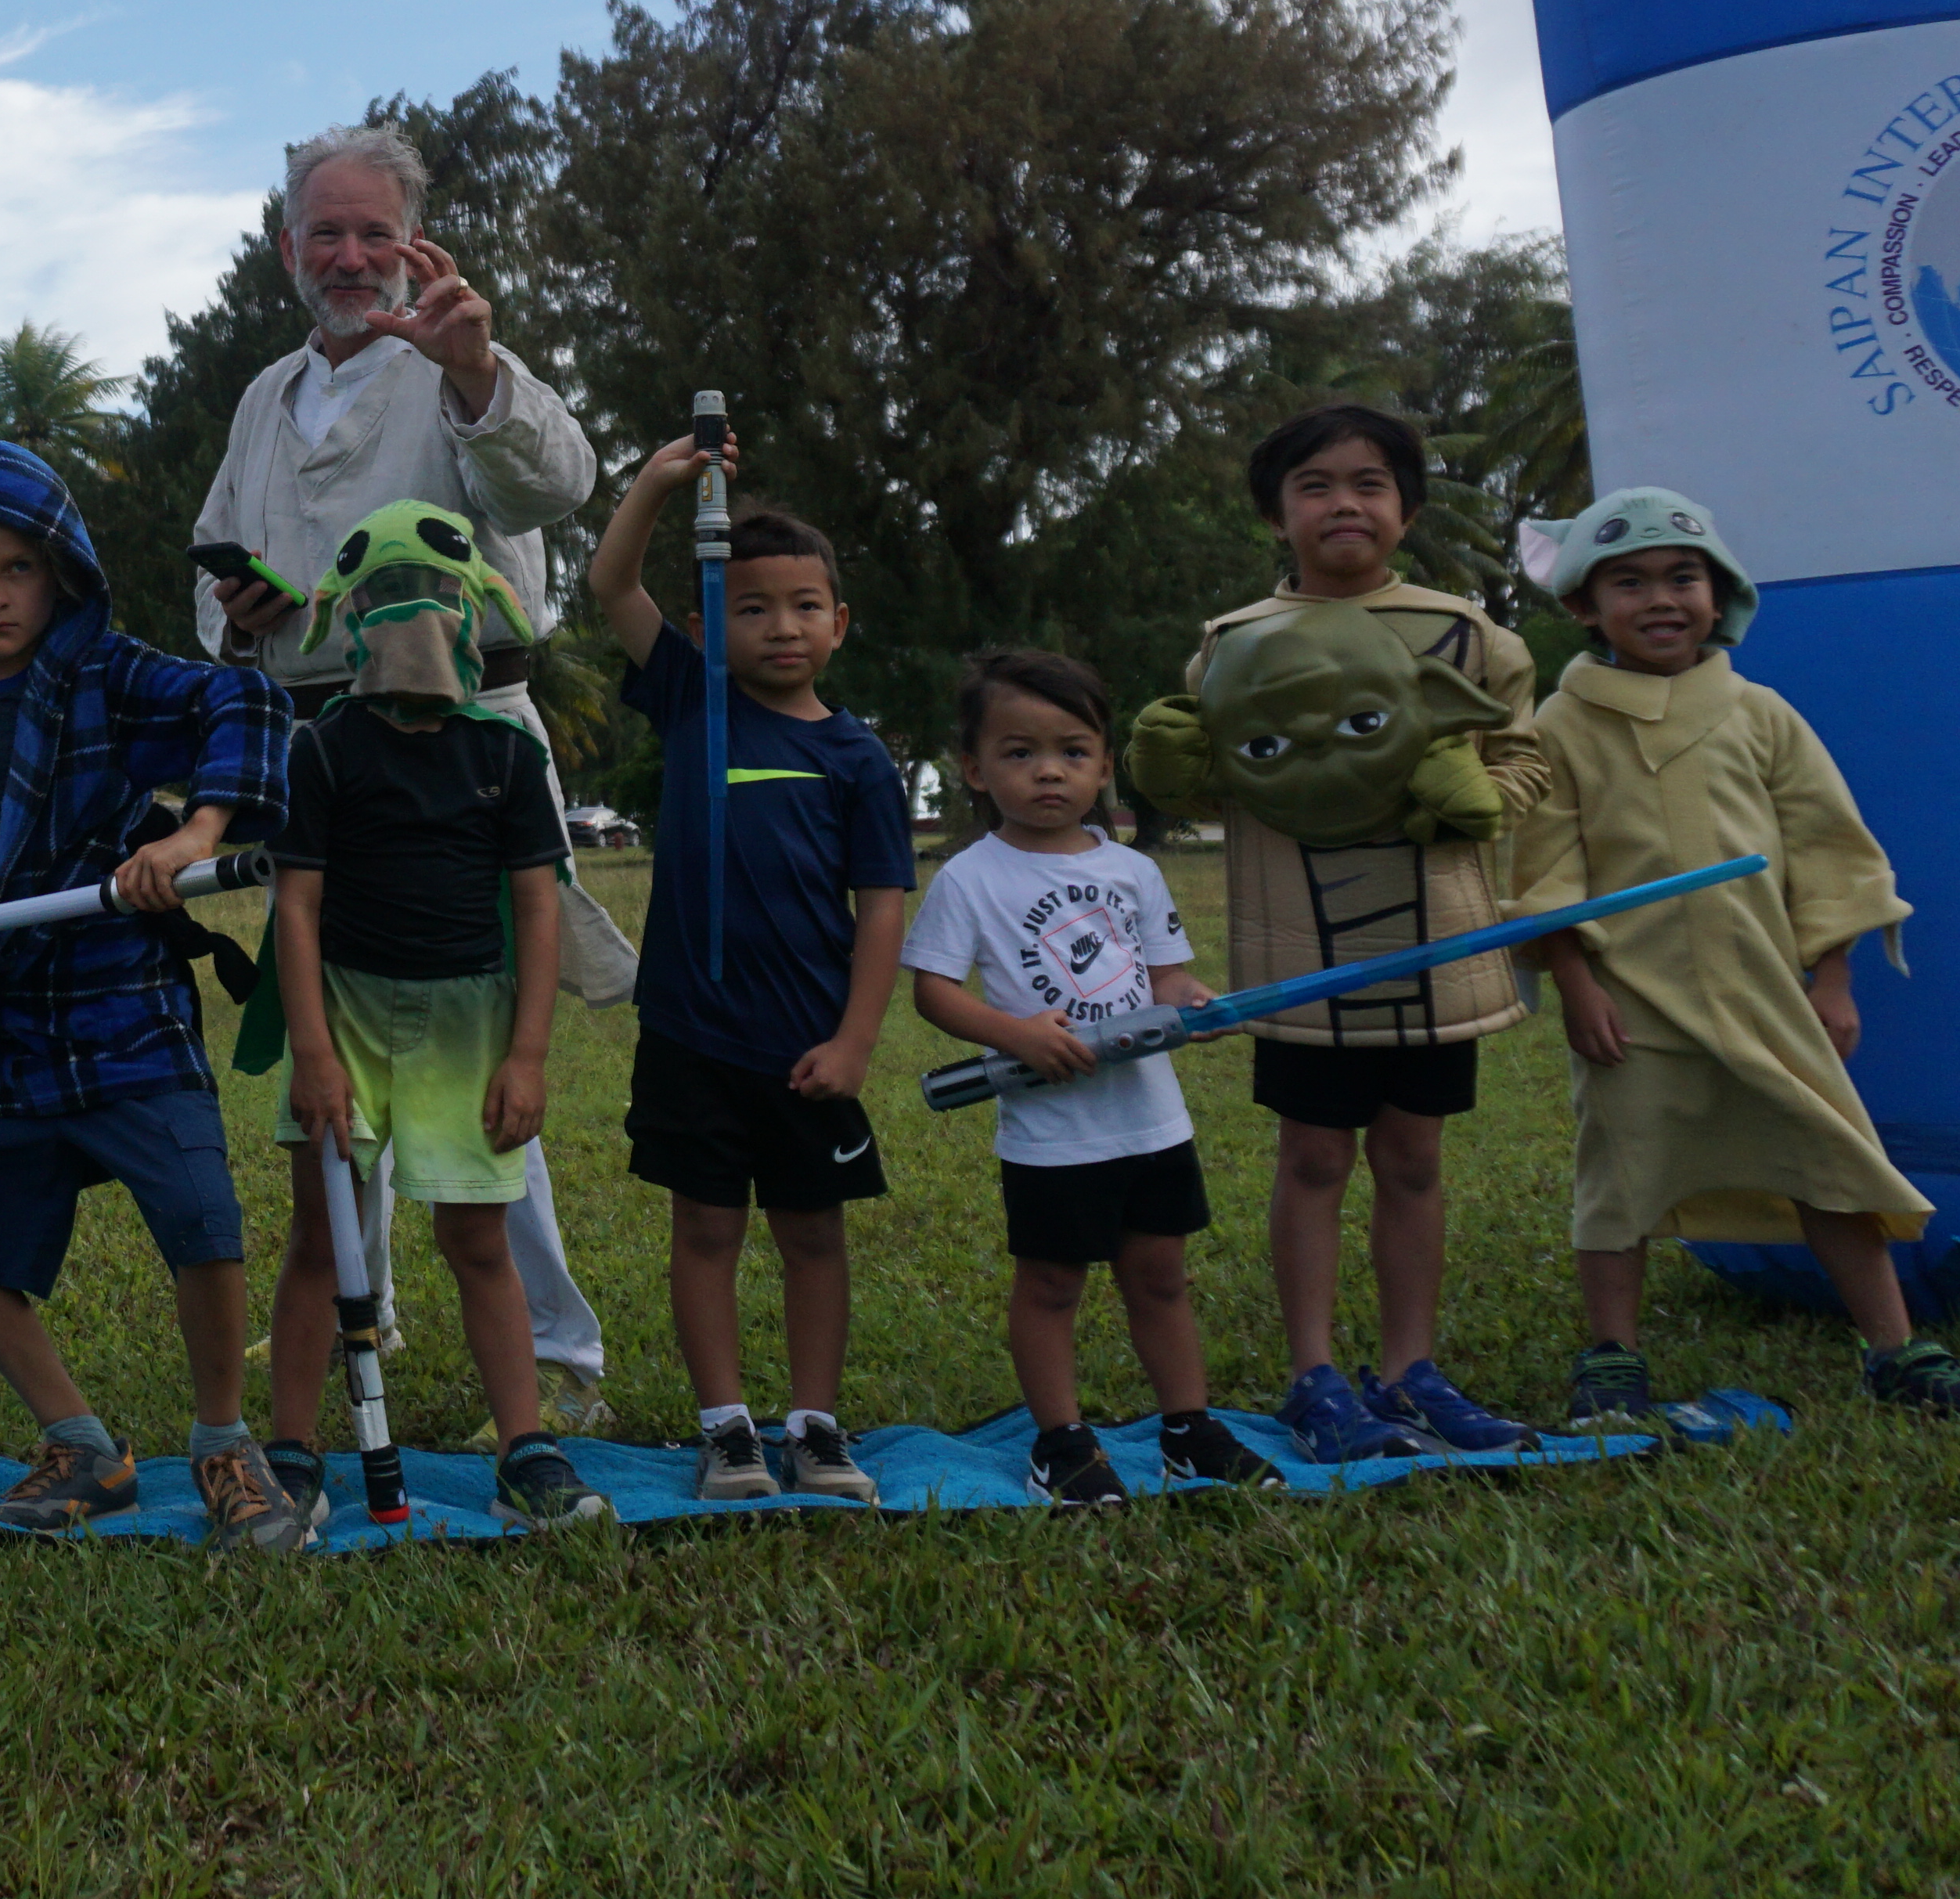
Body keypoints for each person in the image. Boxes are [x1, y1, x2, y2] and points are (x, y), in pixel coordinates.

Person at [189, 122, 618, 1433]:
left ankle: (558, 1355)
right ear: (287, 250)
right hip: (327, 755)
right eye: (326, 231)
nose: (352, 256)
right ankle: (351, 1300)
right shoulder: (265, 398)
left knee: (480, 1043)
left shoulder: (456, 359)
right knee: (343, 1036)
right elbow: (214, 567)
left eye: (376, 231)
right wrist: (246, 616)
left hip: (467, 743)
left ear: (415, 243)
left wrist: (476, 369)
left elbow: (556, 487)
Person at [0, 439, 313, 1548]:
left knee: (202, 1221)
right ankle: (81, 1447)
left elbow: (247, 701)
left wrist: (197, 832)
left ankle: (224, 1443)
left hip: (119, 999)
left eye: (16, 570)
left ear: (60, 572)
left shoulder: (108, 673)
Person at [1514, 491, 1960, 1423]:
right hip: (1637, 1001)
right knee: (1620, 1174)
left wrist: (1833, 976)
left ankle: (1896, 1351)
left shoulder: (1762, 714)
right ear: (1585, 605)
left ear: (1721, 595)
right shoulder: (1564, 724)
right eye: (1629, 583)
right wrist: (1578, 983)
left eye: (1682, 577)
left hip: (1764, 993)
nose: (1660, 599)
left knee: (1827, 1158)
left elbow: (1829, 847)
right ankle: (1613, 1357)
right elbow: (1548, 866)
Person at [1166, 404, 1545, 1464]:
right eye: (1316, 485)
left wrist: (1480, 800)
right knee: (1314, 1155)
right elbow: (1216, 779)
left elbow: (1523, 761)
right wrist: (1172, 771)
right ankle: (1314, 1377)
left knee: (1414, 1157)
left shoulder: (1470, 636)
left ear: (1408, 511)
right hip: (1303, 955)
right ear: (1276, 515)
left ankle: (1411, 1370)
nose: (1345, 504)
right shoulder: (1229, 646)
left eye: (1370, 484)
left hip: (1435, 950)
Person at [261, 502, 611, 1533]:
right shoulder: (322, 750)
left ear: (478, 608)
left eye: (435, 592)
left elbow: (539, 908)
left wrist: (528, 1055)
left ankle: (526, 1448)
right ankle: (291, 1450)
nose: (412, 614)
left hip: (470, 1024)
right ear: (346, 613)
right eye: (385, 593)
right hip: (345, 1016)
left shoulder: (506, 755)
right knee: (321, 1240)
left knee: (478, 1239)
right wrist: (314, 1053)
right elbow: (296, 906)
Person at [587, 456, 913, 1504]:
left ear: (839, 624)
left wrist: (856, 1041)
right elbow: (610, 584)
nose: (782, 627)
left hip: (807, 1046)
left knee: (814, 1235)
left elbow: (883, 908)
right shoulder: (695, 701)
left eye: (805, 606)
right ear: (707, 627)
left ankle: (814, 1427)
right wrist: (657, 484)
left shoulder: (859, 759)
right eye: (754, 608)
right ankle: (725, 1430)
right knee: (705, 1229)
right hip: (692, 1037)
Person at [902, 650, 1278, 1509]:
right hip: (1053, 1133)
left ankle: (1187, 1429)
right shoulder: (971, 877)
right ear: (975, 769)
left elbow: (1165, 977)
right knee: (1051, 1285)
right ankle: (1062, 1443)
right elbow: (933, 990)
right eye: (1020, 752)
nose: (1049, 771)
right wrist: (1016, 1036)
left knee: (1161, 1276)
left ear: (1106, 765)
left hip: (1151, 1122)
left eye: (1072, 751)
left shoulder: (1133, 871)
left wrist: (1197, 1004)